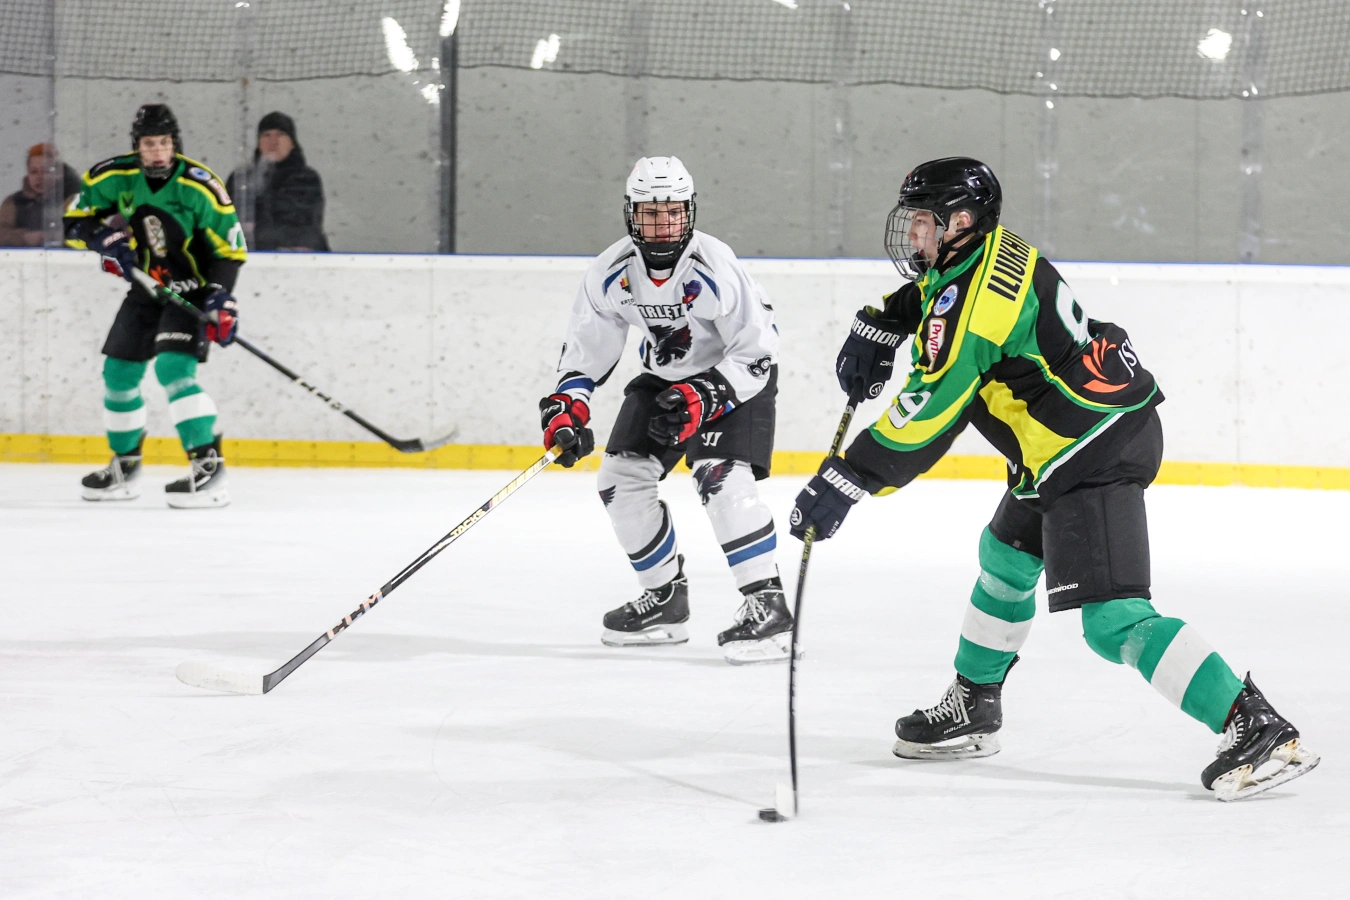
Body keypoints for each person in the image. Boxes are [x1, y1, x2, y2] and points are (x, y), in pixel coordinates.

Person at [790, 157, 1319, 800]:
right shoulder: (988, 250)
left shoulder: (976, 311)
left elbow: (928, 413)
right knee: (1006, 558)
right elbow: (939, 295)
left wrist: (847, 478)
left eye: (925, 222)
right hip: (1065, 442)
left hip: (1091, 449)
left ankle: (1253, 722)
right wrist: (883, 321)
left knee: (1114, 620)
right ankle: (974, 702)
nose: (914, 235)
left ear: (961, 221)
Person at [540, 156, 789, 664]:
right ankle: (665, 598)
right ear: (631, 214)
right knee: (619, 478)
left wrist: (708, 395)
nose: (663, 224)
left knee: (719, 477)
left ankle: (768, 606)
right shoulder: (611, 271)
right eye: (651, 213)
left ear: (689, 211)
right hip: (667, 378)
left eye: (673, 212)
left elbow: (759, 350)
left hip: (735, 380)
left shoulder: (715, 264)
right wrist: (568, 407)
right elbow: (588, 349)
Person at [64, 103, 247, 508]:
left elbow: (230, 249)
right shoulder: (113, 176)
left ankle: (208, 468)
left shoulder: (200, 186)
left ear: (175, 143)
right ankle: (125, 467)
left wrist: (221, 297)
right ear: (138, 146)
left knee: (173, 368)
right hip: (147, 288)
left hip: (192, 291)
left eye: (165, 143)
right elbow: (74, 223)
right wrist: (102, 239)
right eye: (150, 144)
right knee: (118, 374)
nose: (159, 152)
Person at [226, 111, 329, 251]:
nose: (273, 141)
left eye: (280, 135)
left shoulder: (306, 179)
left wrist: (253, 229)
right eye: (266, 135)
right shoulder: (241, 178)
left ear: (292, 143)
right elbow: (226, 221)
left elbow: (300, 227)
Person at [0, 143, 81, 247]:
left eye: (46, 171)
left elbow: (85, 231)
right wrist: (25, 237)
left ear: (58, 174)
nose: (39, 177)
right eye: (34, 172)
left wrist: (58, 237)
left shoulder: (72, 200)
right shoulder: (13, 202)